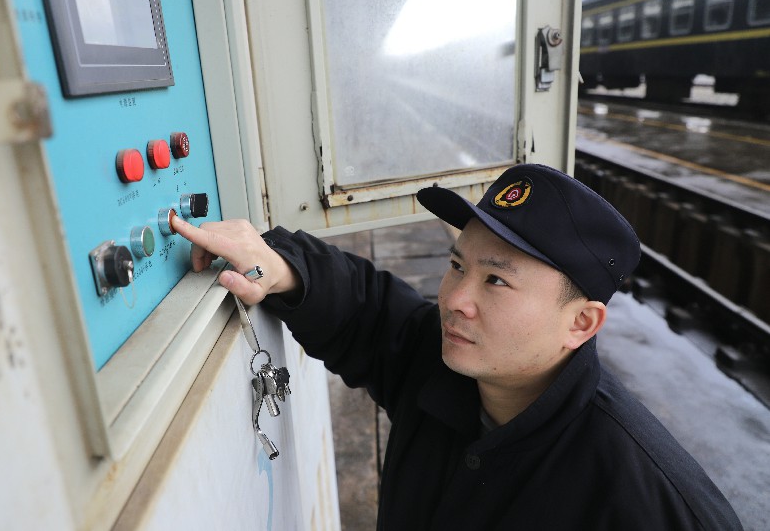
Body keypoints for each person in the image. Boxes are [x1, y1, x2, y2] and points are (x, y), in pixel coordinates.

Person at [170, 163, 742, 530]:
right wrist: (282, 264)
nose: (454, 300)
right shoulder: (447, 363)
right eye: (455, 265)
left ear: (581, 323)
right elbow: (366, 311)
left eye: (496, 280)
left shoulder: (646, 499)